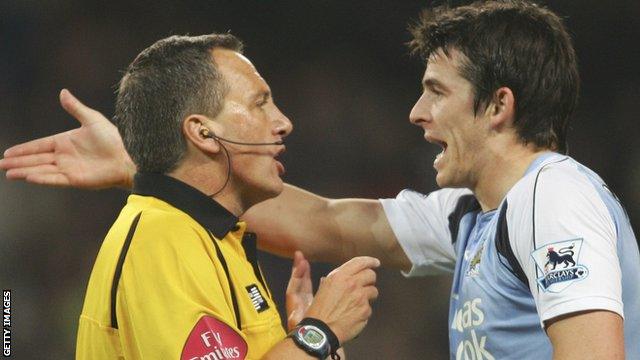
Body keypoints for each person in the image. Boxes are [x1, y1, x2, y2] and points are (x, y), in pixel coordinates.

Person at [2, 1, 639, 359]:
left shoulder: (553, 198)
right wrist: (148, 167)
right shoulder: (471, 216)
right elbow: (326, 222)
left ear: (498, 107)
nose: (417, 114)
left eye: (437, 93)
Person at [2, 34, 382, 359]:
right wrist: (318, 332)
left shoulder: (215, 239)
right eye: (259, 103)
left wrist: (307, 342)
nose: (283, 122)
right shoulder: (162, 239)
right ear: (203, 133)